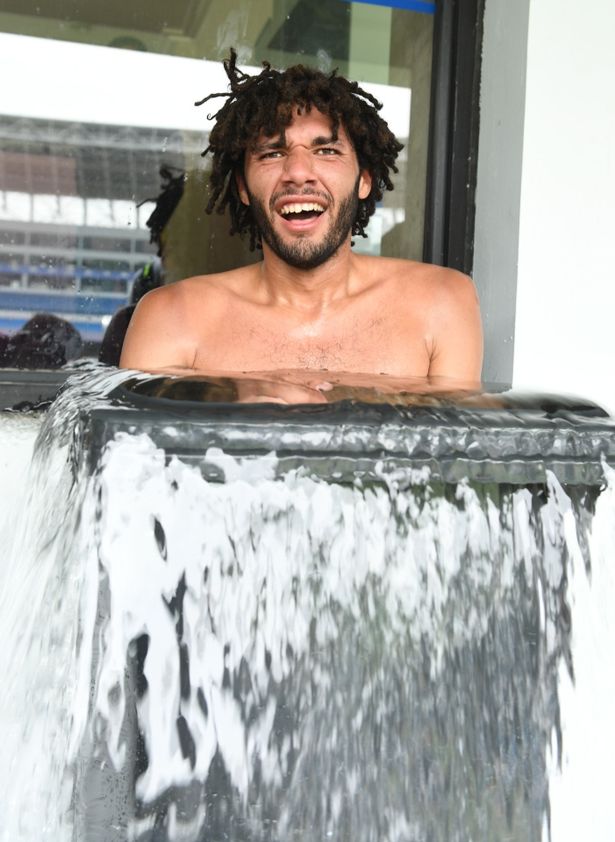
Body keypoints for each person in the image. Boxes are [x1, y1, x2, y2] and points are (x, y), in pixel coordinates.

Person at [120, 51, 482, 398]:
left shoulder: (442, 303)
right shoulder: (170, 319)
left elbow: (455, 442)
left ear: (364, 180)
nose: (297, 172)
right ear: (243, 188)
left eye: (326, 151)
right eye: (273, 153)